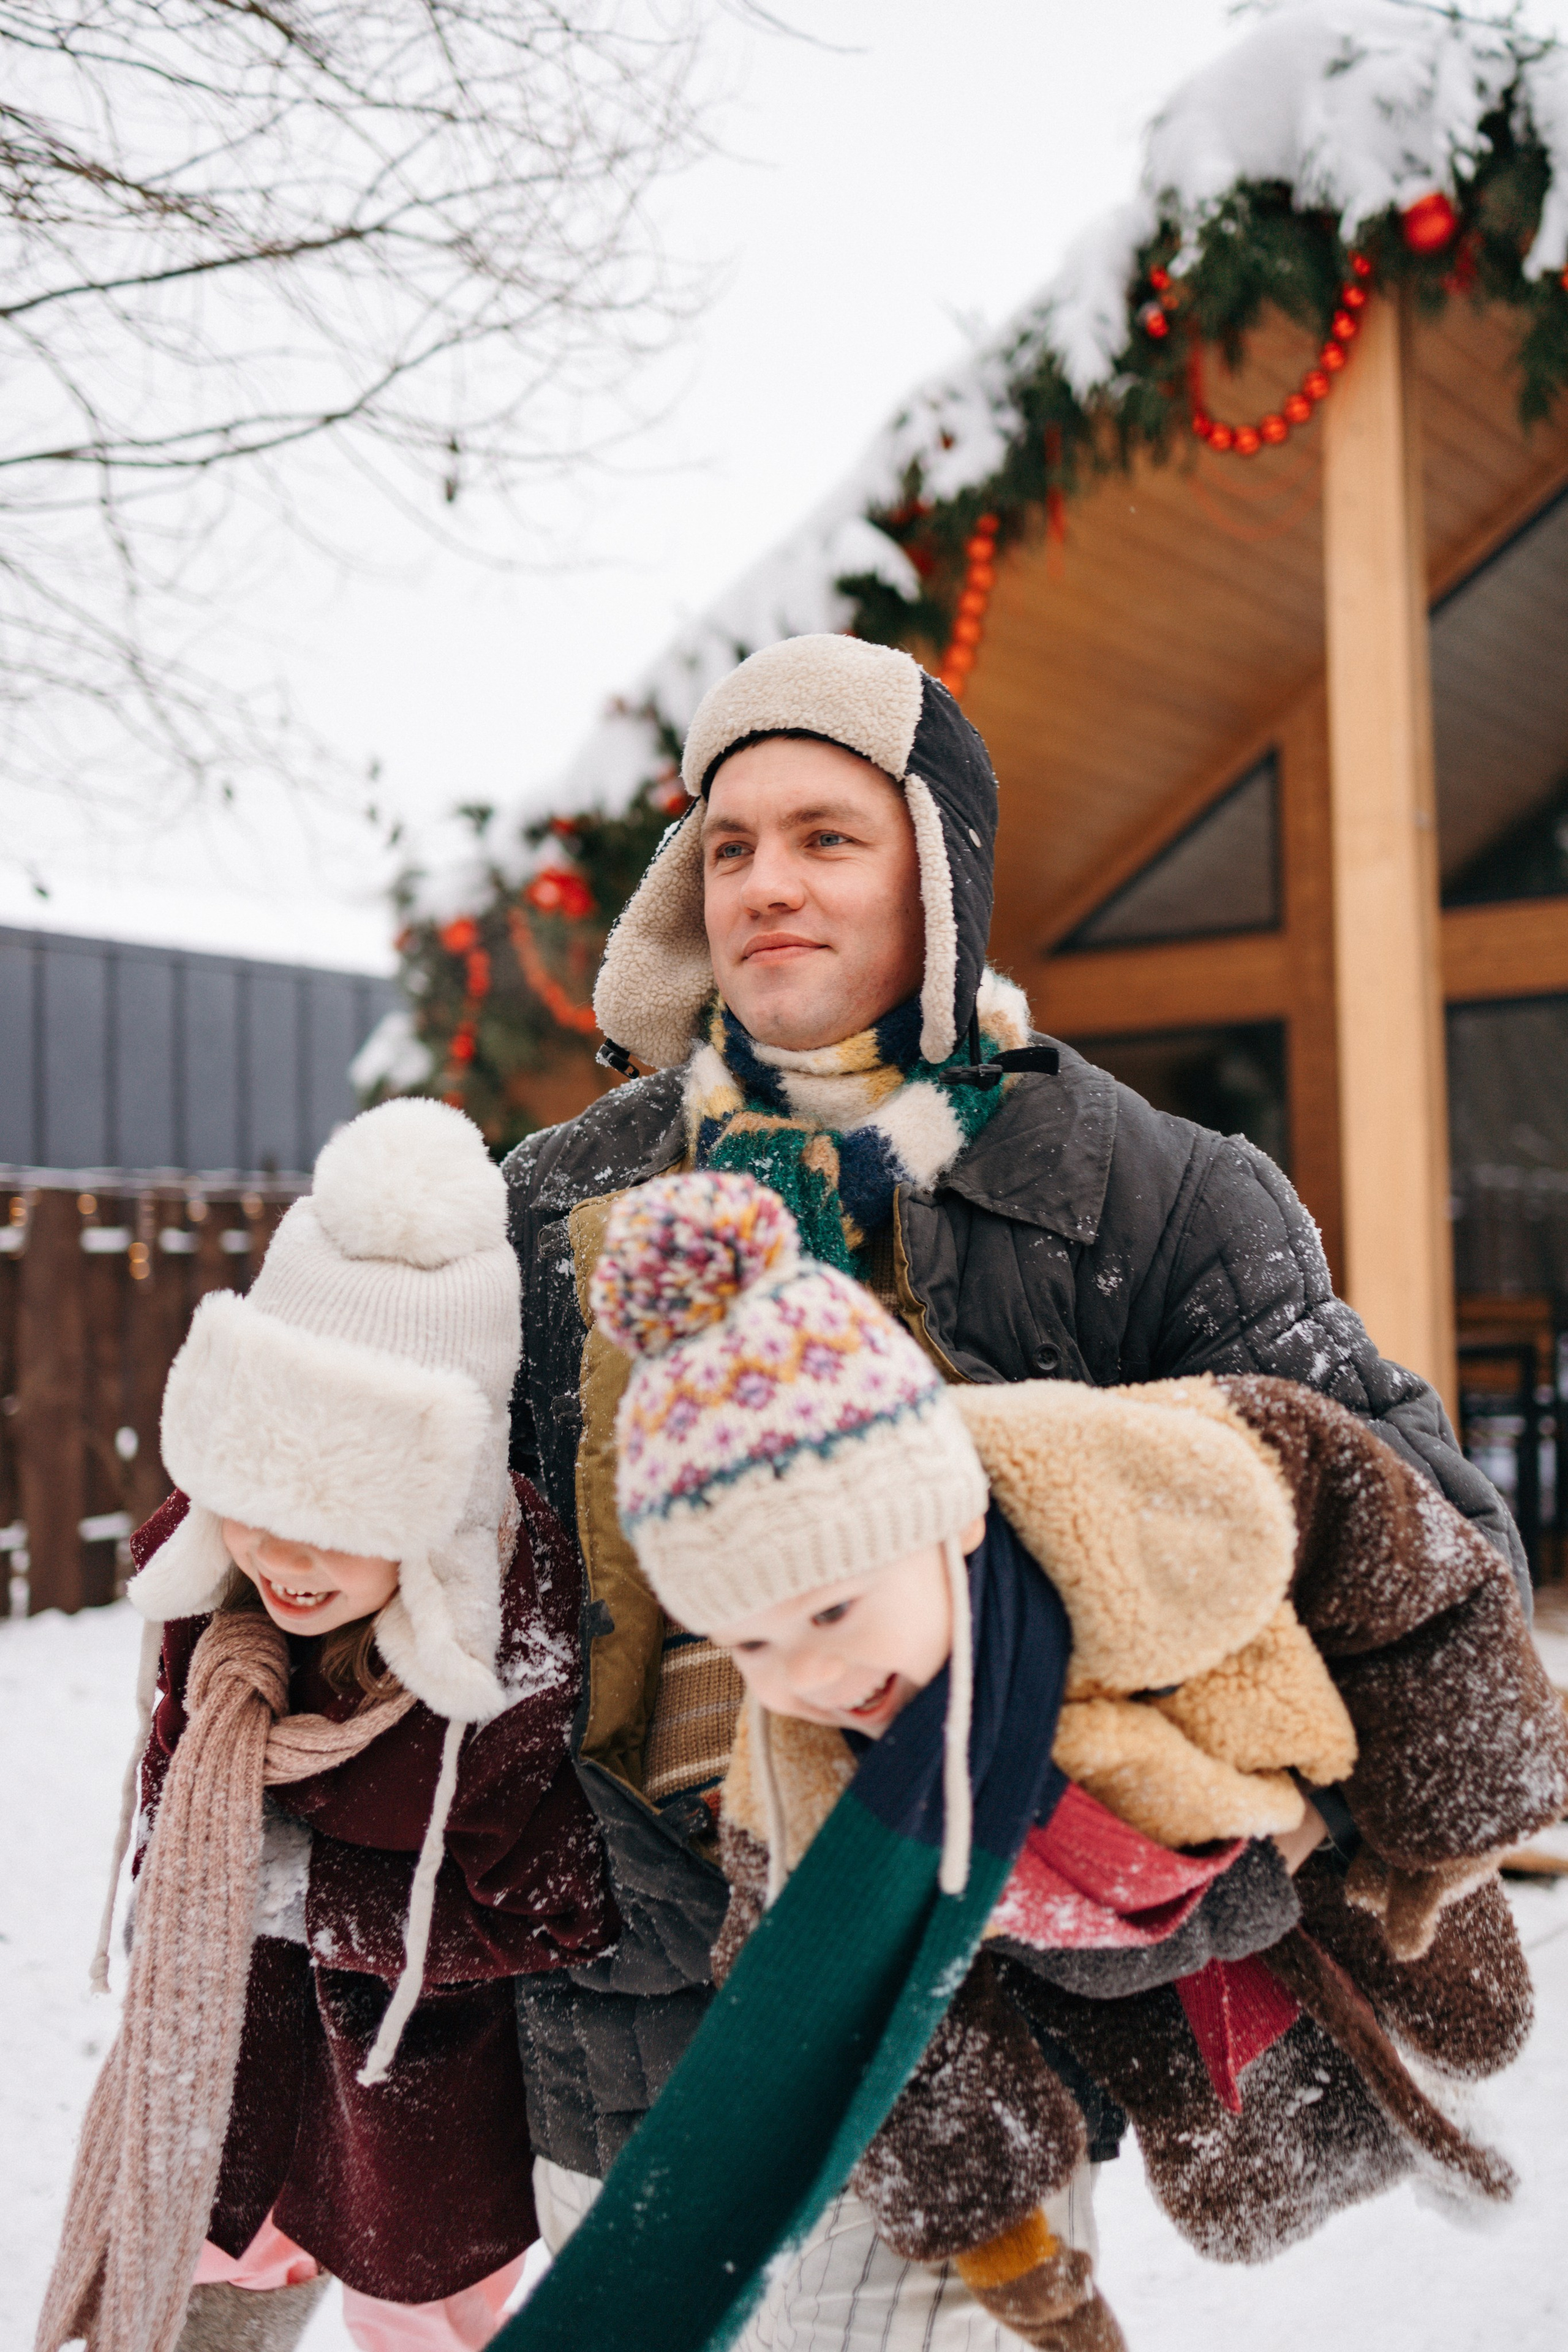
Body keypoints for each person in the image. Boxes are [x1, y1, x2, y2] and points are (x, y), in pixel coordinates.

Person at [503, 629, 1526, 2257]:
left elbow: (1433, 1548)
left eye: (829, 837)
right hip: (618, 2033)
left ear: (941, 871)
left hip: (975, 2044)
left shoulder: (1153, 1191)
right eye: (731, 843)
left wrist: (1189, 1833)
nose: (769, 880)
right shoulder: (550, 1202)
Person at [502, 1167, 1564, 2352]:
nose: (810, 1676)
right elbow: (886, 2047)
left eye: (837, 1610)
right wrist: (1022, 2264)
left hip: (1281, 1789)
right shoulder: (802, 1788)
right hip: (1089, 1918)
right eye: (752, 1639)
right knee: (1253, 2168)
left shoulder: (1154, 1487)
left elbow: (1402, 1544)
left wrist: (1439, 1818)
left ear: (948, 1520)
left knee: (1466, 2003)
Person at [37, 1099, 617, 2352]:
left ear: (434, 1501)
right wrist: (203, 1889)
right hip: (226, 2078)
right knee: (187, 2317)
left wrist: (303, 1886)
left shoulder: (499, 1653)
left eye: (343, 1508)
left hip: (406, 2112)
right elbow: (169, 1813)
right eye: (256, 1497)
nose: (286, 1553)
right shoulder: (223, 1614)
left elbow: (553, 1902)